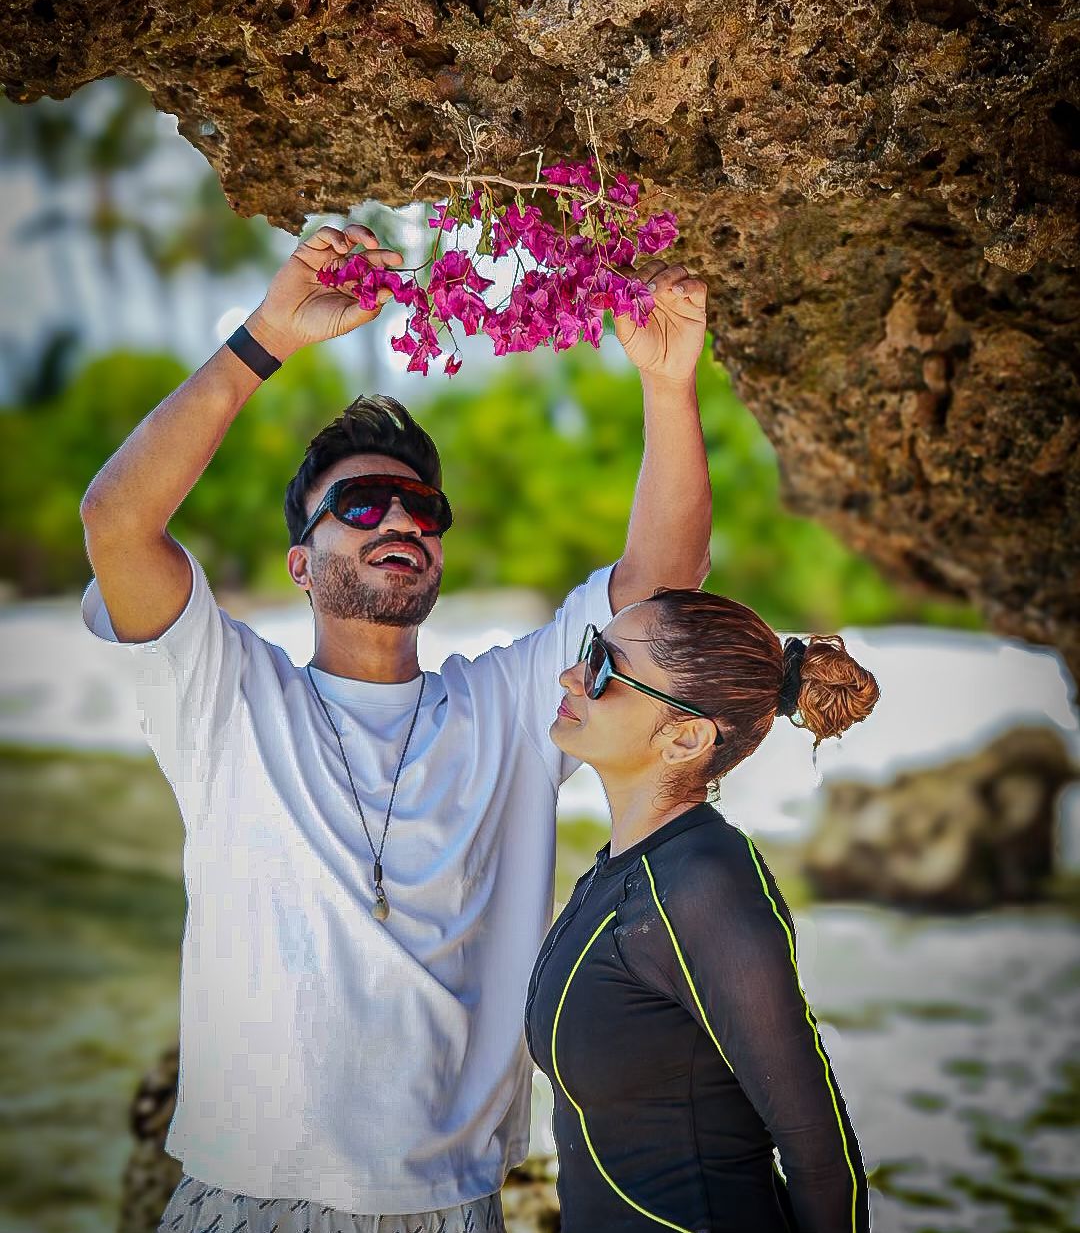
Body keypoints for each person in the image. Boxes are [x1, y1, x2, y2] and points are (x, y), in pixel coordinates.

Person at [78, 221, 714, 1233]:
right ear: (299, 561)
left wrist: (669, 387)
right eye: (362, 502)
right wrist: (267, 338)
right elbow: (116, 521)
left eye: (423, 506)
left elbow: (658, 594)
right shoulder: (226, 696)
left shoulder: (505, 707)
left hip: (452, 1207)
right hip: (248, 1200)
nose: (401, 521)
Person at [526, 590, 880, 1233]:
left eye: (603, 665)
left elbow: (821, 1153)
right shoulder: (628, 866)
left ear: (685, 737)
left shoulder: (704, 885)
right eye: (587, 650)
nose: (572, 675)